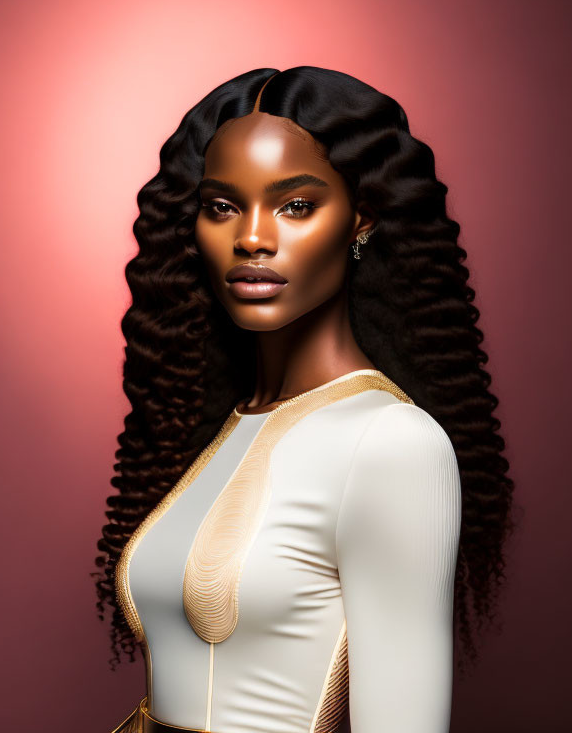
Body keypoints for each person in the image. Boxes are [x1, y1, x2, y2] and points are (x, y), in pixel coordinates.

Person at [93, 67, 514, 733]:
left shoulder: (392, 445)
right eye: (222, 205)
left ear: (360, 220)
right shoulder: (230, 427)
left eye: (294, 205)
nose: (252, 238)